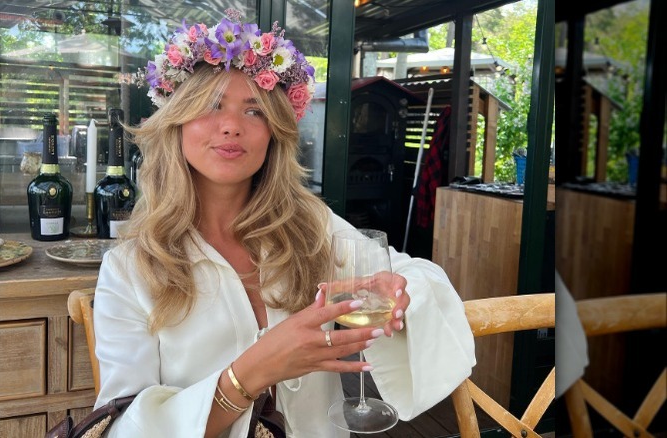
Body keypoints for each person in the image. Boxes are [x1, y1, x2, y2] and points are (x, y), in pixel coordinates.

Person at [94, 9, 475, 437]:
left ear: (275, 131)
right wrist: (249, 374)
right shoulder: (129, 270)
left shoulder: (309, 224)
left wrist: (399, 291)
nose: (231, 127)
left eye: (254, 112)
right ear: (176, 121)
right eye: (211, 105)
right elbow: (120, 427)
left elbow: (412, 273)